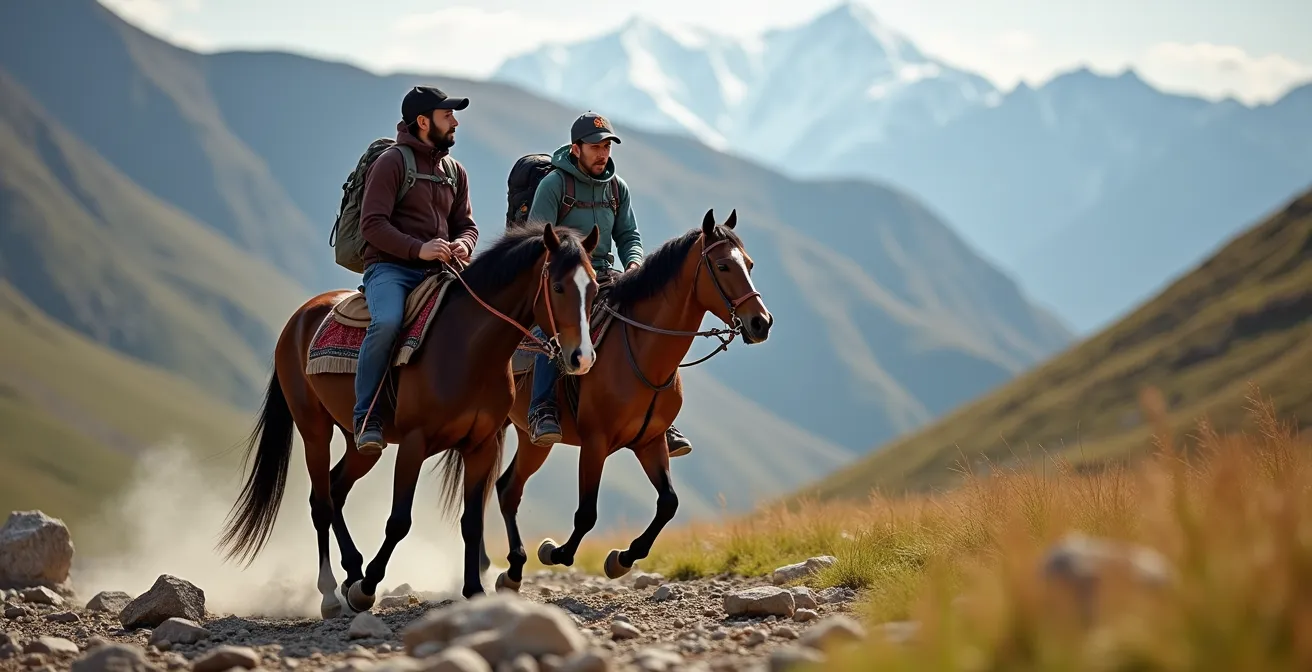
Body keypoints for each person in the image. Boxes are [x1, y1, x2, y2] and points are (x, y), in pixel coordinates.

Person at [522, 111, 694, 457]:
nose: (603, 153)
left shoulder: (618, 188)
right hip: (564, 279)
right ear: (576, 148)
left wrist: (634, 262)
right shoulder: (554, 185)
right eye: (596, 147)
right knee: (549, 332)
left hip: (606, 275)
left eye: (608, 146)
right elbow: (537, 237)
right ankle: (542, 409)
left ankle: (660, 417)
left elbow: (629, 234)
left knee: (650, 324)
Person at [352, 85, 479, 454]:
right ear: (424, 122)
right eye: (447, 116)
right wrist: (418, 249)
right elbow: (371, 224)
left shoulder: (455, 170)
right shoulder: (392, 162)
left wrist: (463, 245)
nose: (454, 122)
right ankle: (366, 415)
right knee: (387, 322)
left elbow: (467, 226)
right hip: (390, 269)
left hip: (440, 270)